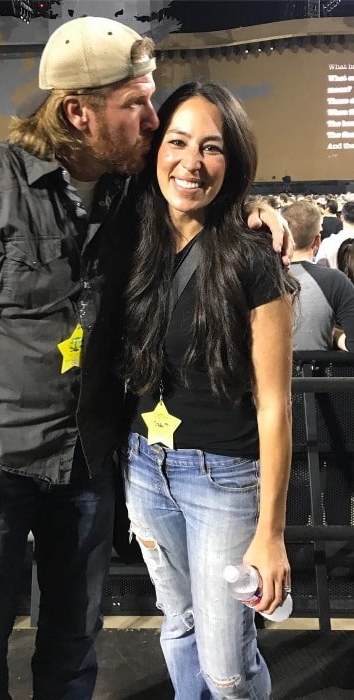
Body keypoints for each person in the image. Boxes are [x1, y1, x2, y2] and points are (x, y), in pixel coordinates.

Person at [0, 17, 292, 700]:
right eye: (136, 104)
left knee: (74, 652)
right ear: (78, 112)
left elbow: (198, 202)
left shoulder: (132, 191)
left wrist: (254, 212)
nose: (152, 119)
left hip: (91, 468)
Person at [120, 81, 298, 699]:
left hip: (223, 481)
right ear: (155, 149)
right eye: (177, 141)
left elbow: (275, 404)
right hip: (144, 468)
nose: (192, 162)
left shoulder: (253, 258)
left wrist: (270, 535)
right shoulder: (131, 237)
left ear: (235, 160)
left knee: (226, 666)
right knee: (180, 628)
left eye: (213, 147)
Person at [283, 200, 354, 351]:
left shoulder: (259, 279)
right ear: (317, 240)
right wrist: (334, 335)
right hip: (318, 372)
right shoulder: (336, 281)